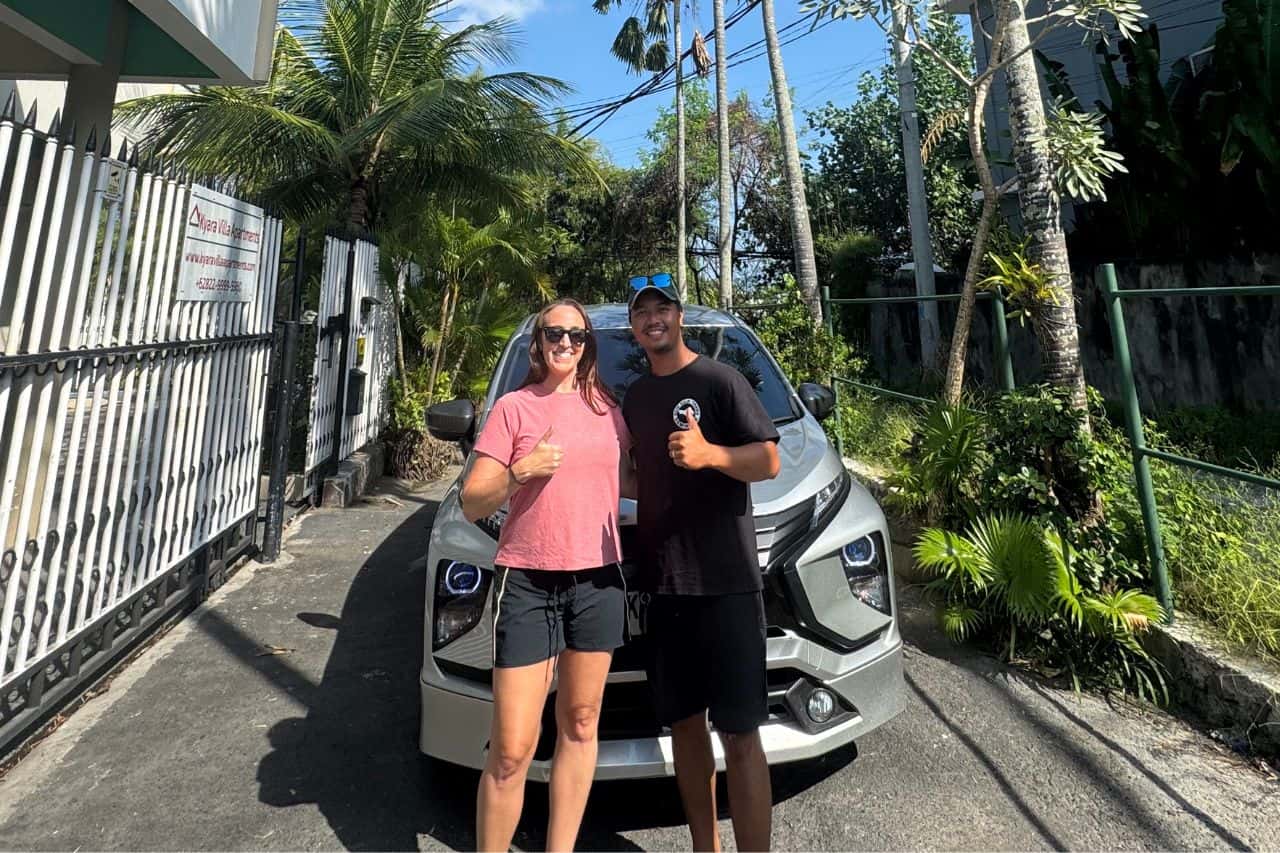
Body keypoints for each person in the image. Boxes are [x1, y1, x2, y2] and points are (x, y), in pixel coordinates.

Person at [460, 298, 634, 853]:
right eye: (554, 333)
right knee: (512, 748)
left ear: (588, 347)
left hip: (598, 581)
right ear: (539, 343)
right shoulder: (513, 409)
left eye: (577, 336)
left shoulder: (609, 409)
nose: (565, 343)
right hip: (529, 581)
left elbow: (636, 482)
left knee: (581, 724)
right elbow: (471, 501)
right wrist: (520, 471)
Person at [621, 274, 781, 852]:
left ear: (679, 316)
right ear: (634, 327)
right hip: (665, 586)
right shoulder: (635, 397)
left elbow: (768, 460)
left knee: (740, 734)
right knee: (686, 728)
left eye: (662, 309)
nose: (653, 320)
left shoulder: (719, 380)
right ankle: (704, 847)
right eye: (643, 313)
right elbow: (639, 478)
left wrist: (711, 453)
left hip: (728, 584)